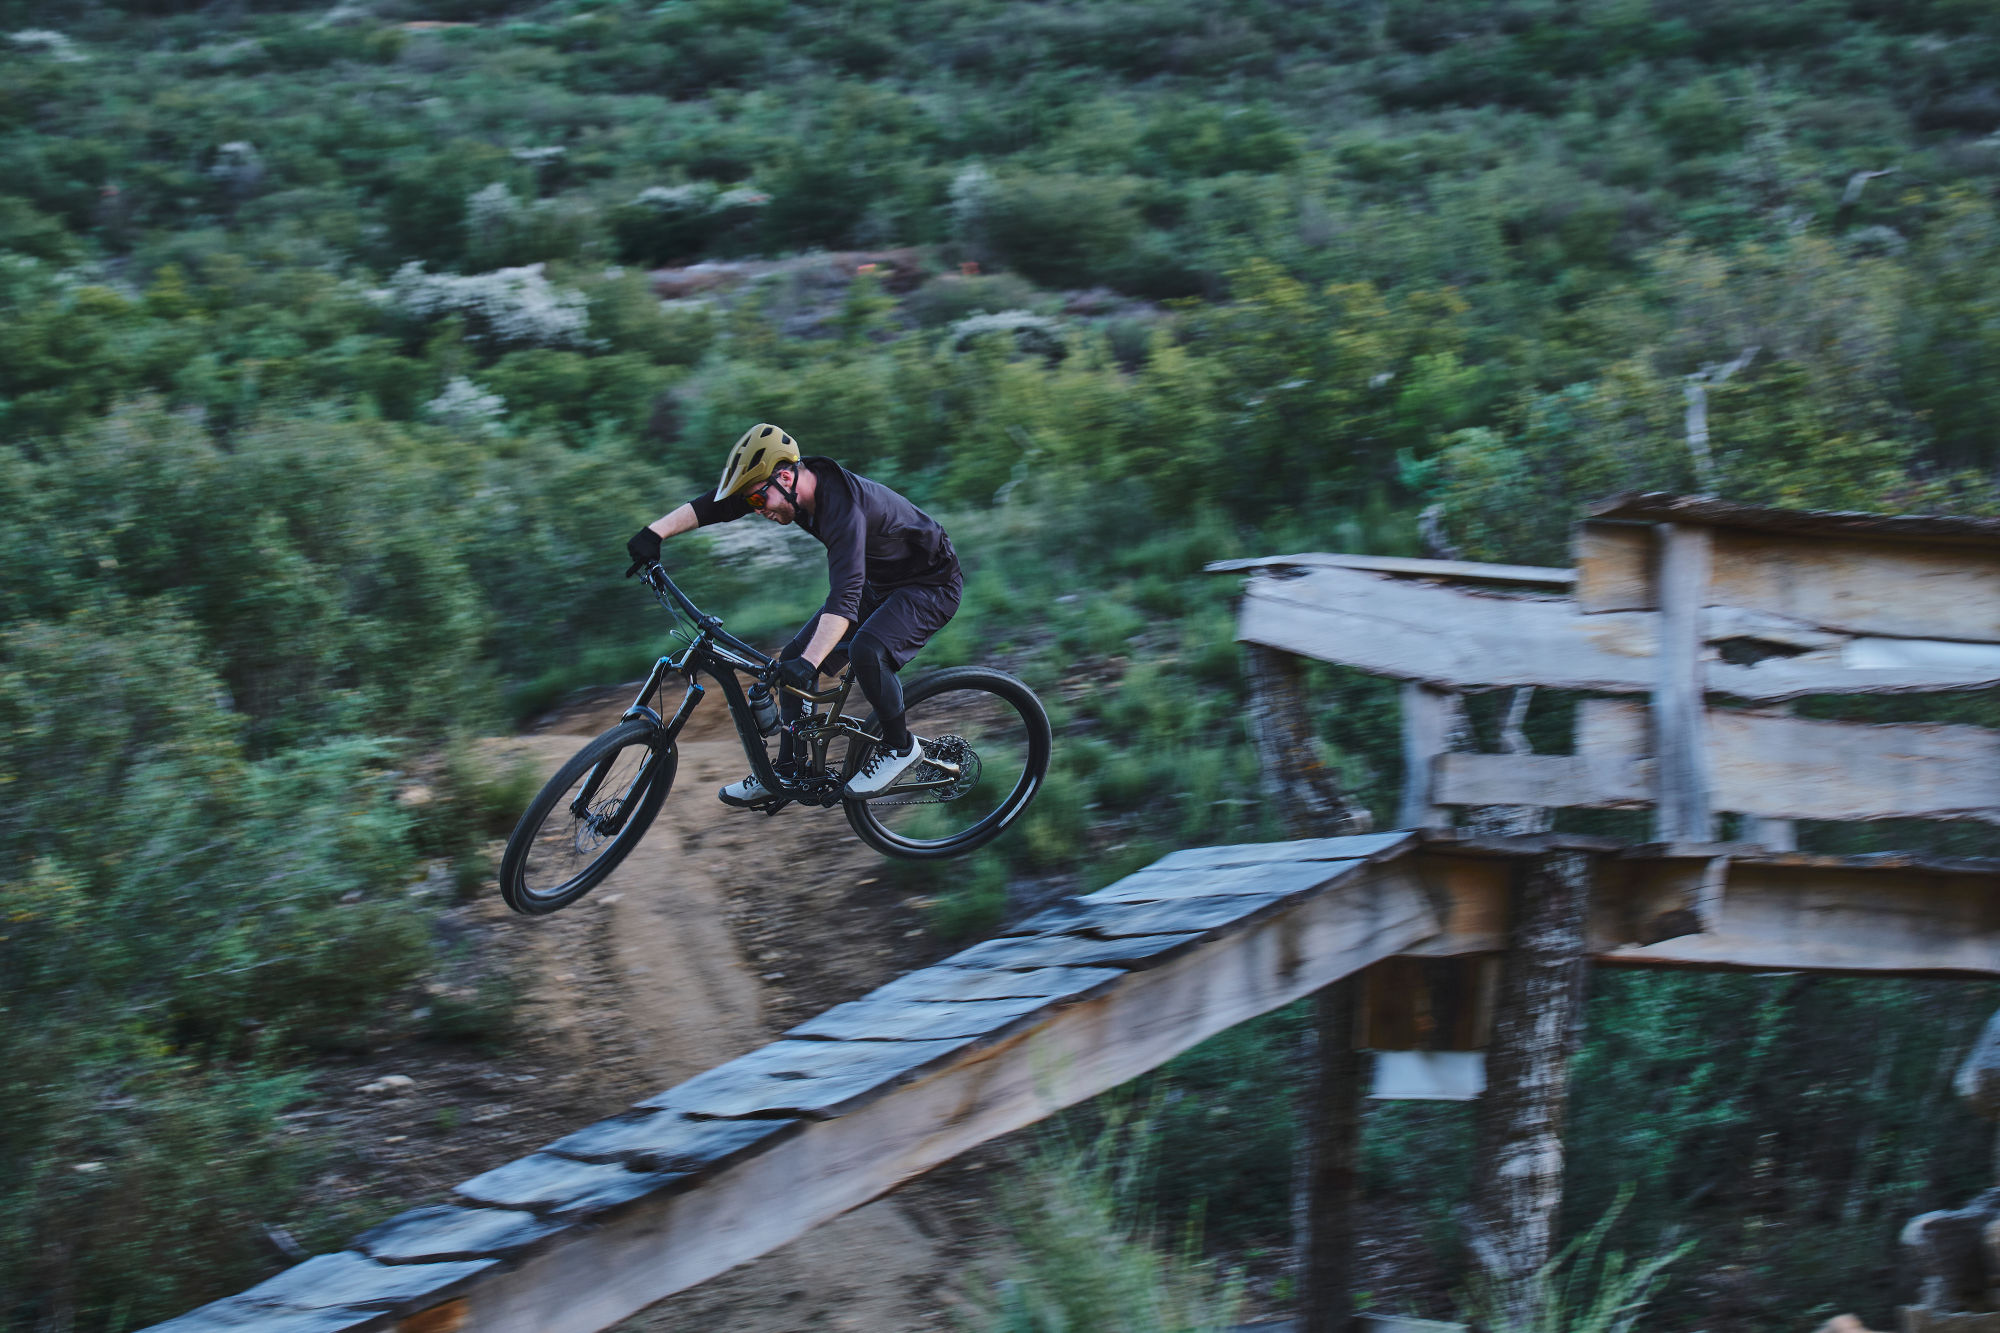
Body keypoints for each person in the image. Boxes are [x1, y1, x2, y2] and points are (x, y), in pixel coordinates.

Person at [625, 423, 962, 806]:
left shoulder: (843, 508)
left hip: (930, 584)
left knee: (865, 650)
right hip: (880, 583)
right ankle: (787, 771)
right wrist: (655, 533)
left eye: (758, 500)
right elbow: (717, 505)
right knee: (792, 658)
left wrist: (811, 662)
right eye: (752, 502)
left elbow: (845, 595)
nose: (757, 510)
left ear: (785, 478)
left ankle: (902, 748)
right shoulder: (792, 491)